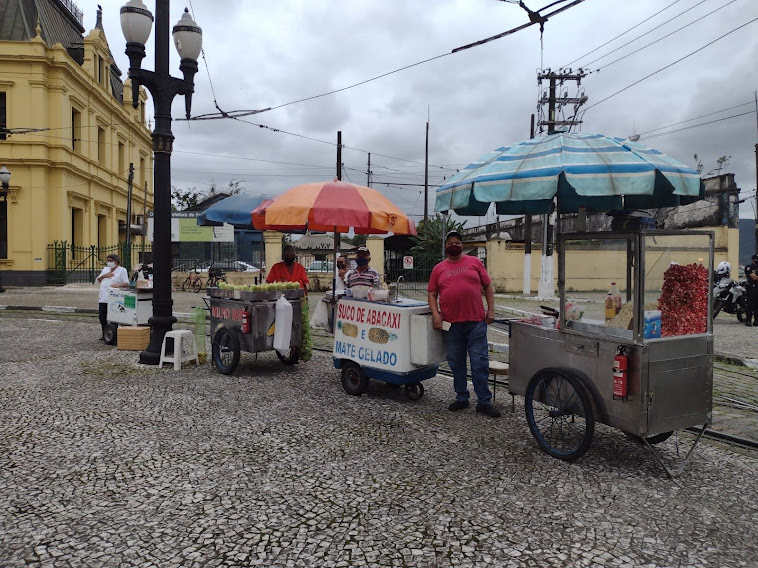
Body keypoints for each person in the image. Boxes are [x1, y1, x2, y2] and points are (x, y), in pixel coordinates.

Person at [428, 231, 499, 418]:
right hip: (451, 325)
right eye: (450, 242)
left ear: (462, 245)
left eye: (458, 242)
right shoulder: (438, 269)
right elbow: (432, 293)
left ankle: (484, 401)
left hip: (476, 322)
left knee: (479, 363)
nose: (454, 245)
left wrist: (491, 309)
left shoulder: (475, 262)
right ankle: (461, 397)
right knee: (456, 363)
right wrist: (436, 314)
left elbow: (488, 286)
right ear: (445, 247)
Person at [95, 253, 129, 340]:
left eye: (111, 261)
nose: (109, 262)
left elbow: (126, 282)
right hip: (103, 297)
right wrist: (104, 276)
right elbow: (97, 280)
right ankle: (105, 332)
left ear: (116, 261)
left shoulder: (122, 270)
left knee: (114, 317)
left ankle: (113, 335)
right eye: (108, 261)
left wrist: (118, 285)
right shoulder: (105, 269)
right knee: (102, 316)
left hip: (114, 297)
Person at [744, 254, 758, 327]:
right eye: (756, 259)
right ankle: (748, 320)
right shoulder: (749, 267)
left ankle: (756, 320)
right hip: (752, 288)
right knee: (750, 305)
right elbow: (754, 277)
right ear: (753, 260)